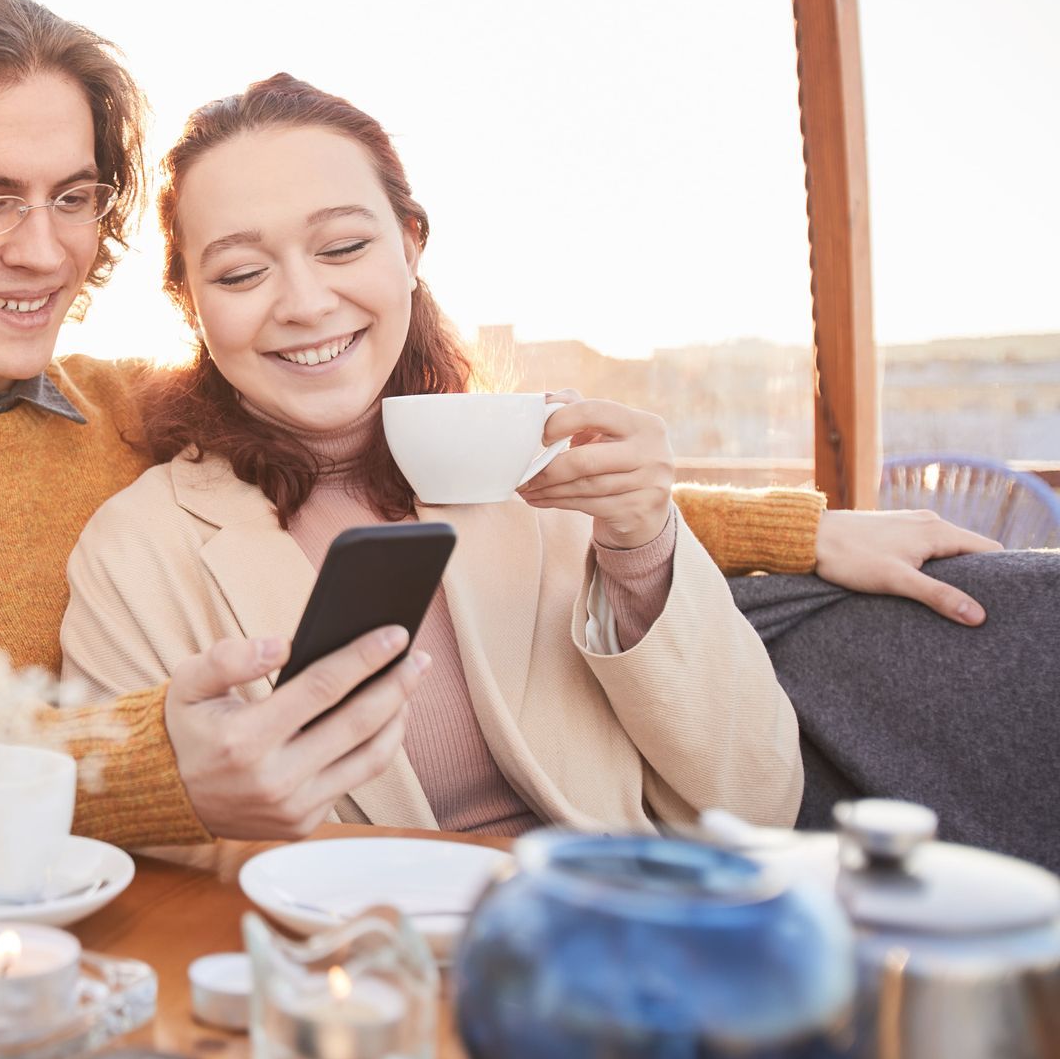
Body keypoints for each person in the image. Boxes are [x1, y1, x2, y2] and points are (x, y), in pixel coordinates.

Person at [0, 0, 997, 848]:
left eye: (75, 197)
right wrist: (148, 774)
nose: (42, 251)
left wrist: (783, 530)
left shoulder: (125, 410)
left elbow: (402, 472)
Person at [60, 74, 806, 833]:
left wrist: (644, 549)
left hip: (605, 931)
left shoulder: (541, 469)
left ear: (411, 247)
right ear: (190, 304)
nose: (306, 303)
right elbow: (126, 849)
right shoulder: (136, 553)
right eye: (241, 273)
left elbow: (756, 804)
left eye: (344, 246)